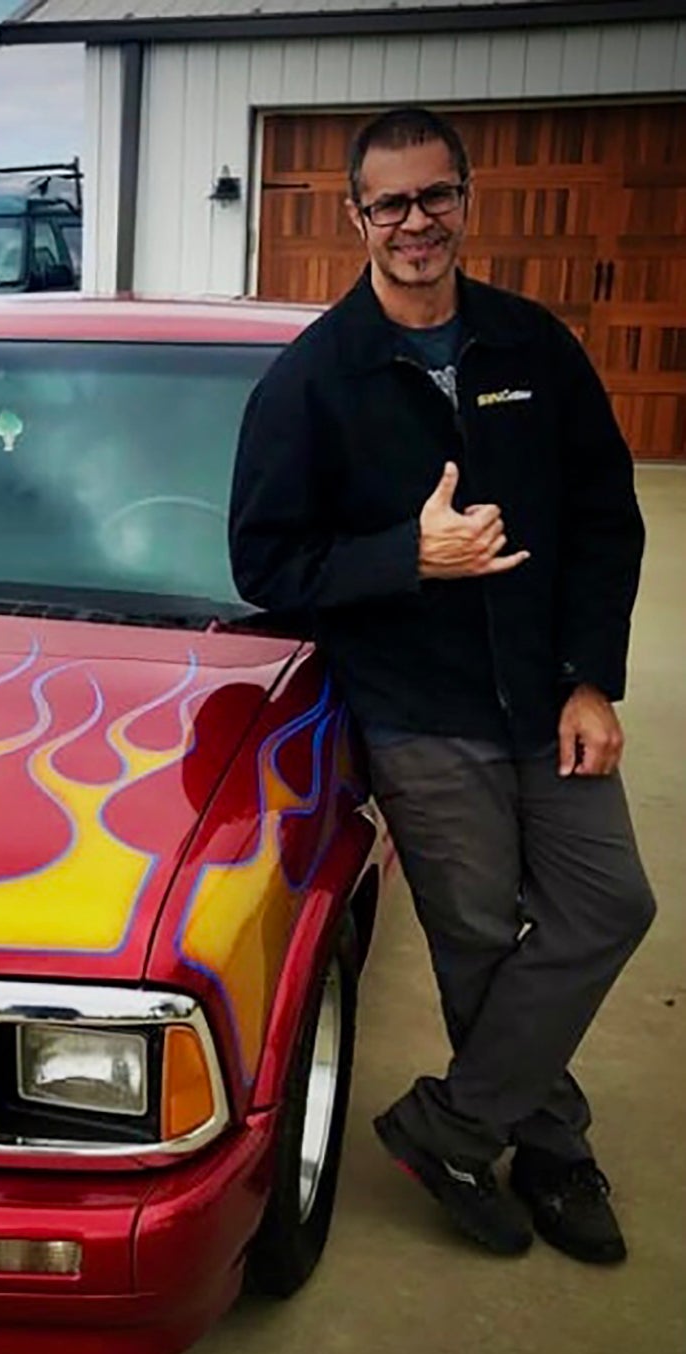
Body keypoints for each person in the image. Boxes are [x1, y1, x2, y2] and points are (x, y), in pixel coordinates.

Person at [228, 107, 655, 1264]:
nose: (415, 222)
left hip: (547, 697)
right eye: (391, 203)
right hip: (420, 710)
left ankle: (454, 1125)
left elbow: (605, 522)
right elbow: (265, 564)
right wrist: (406, 557)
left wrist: (592, 681)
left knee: (610, 905)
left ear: (466, 198)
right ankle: (552, 1150)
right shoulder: (314, 380)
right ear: (355, 216)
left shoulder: (533, 347)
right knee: (475, 939)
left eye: (435, 196)